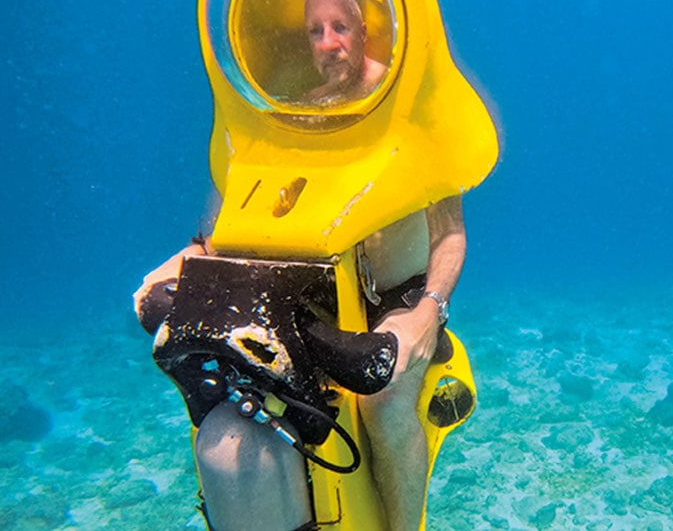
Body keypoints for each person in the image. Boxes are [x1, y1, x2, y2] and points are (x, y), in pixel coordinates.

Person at [134, 197, 465, 531]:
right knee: (228, 390)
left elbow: (449, 233)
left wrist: (430, 310)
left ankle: (405, 527)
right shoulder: (246, 156)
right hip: (293, 290)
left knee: (387, 404)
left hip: (394, 293)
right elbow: (223, 224)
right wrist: (187, 258)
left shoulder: (422, 156)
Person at [299, 0, 389, 106]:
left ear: (362, 34)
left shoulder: (393, 85)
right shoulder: (313, 101)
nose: (327, 45)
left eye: (340, 28)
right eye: (316, 31)